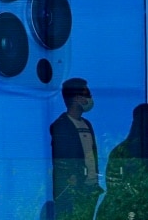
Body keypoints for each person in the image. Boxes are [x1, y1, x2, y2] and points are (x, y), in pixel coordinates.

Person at [50, 78, 101, 220]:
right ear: (77, 98)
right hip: (73, 193)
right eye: (87, 94)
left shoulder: (87, 124)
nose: (90, 98)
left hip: (91, 190)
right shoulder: (60, 126)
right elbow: (62, 162)